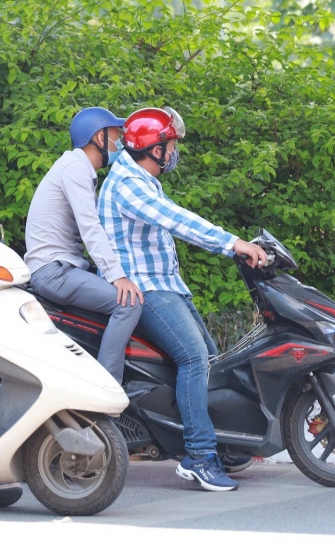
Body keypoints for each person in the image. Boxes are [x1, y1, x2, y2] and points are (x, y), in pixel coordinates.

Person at [97, 107, 268, 493]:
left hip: (165, 283)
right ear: (154, 148)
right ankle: (200, 456)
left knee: (209, 358)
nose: (174, 153)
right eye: (171, 145)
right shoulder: (128, 184)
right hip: (144, 287)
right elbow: (176, 219)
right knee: (193, 357)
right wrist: (233, 243)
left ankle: (218, 441)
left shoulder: (139, 176)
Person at [24, 107, 143, 383]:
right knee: (128, 304)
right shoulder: (76, 167)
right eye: (115, 134)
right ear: (98, 138)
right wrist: (118, 275)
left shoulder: (78, 168)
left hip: (62, 267)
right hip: (54, 271)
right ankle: (107, 388)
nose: (121, 142)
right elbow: (91, 228)